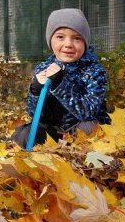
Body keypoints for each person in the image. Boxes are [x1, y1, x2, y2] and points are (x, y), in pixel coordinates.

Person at [12, 8, 111, 148]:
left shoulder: (94, 71)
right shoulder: (43, 69)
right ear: (50, 41)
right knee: (26, 133)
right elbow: (36, 114)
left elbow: (87, 112)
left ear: (85, 43)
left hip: (79, 130)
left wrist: (60, 84)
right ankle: (41, 159)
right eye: (60, 37)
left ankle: (84, 160)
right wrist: (35, 91)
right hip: (54, 131)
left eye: (77, 38)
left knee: (90, 128)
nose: (68, 44)